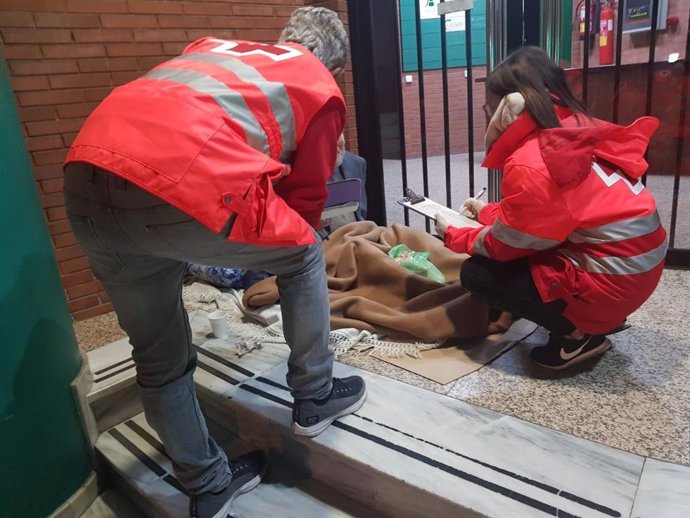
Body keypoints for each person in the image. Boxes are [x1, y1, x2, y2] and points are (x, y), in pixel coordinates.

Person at [62, 7, 367, 518]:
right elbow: (306, 200)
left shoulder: (215, 49)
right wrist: (284, 242)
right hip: (176, 179)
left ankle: (209, 484)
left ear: (286, 39)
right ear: (333, 67)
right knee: (306, 254)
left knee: (157, 354)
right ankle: (314, 395)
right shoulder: (319, 86)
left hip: (84, 180)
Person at [435, 46, 667, 370]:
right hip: (634, 274)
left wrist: (455, 236)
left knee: (478, 273)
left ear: (508, 105)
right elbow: (550, 219)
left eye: (491, 103)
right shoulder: (576, 132)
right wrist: (489, 212)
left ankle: (579, 336)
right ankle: (605, 317)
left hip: (610, 283)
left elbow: (509, 244)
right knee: (528, 256)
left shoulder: (532, 159)